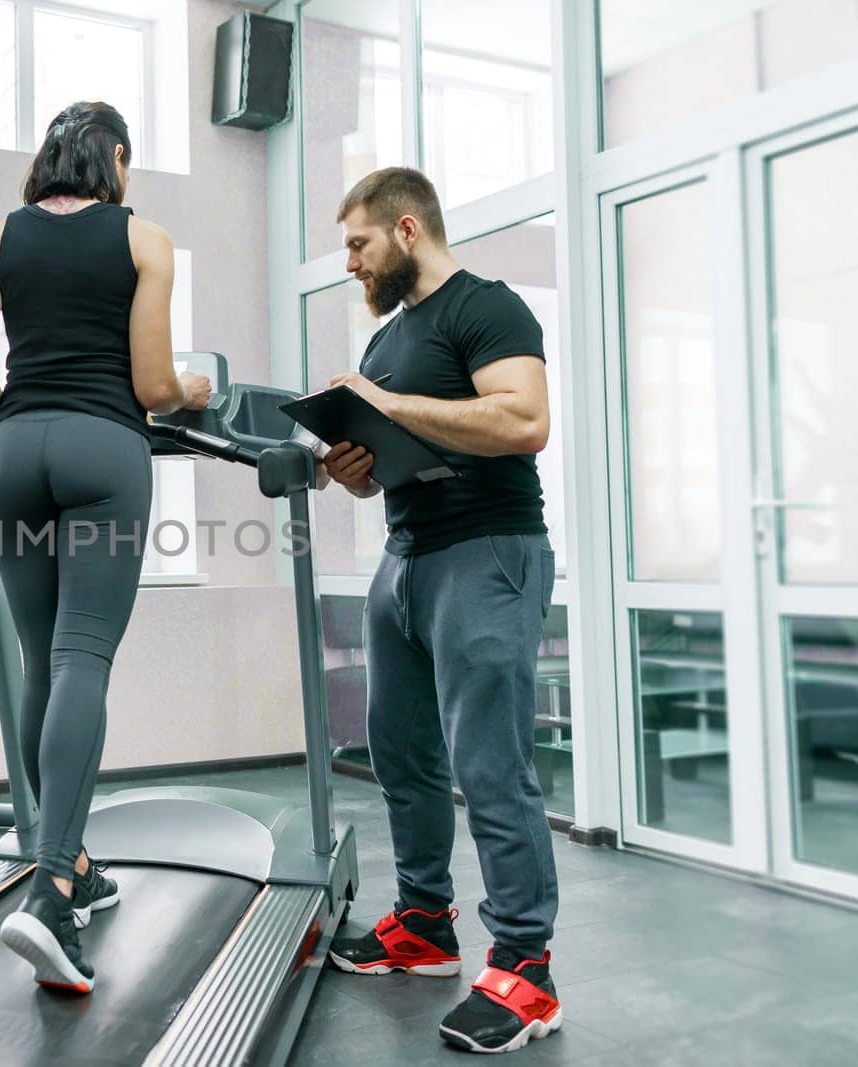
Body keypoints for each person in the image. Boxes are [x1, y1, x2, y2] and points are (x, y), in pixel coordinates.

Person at [0, 102, 211, 994]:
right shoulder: (146, 240)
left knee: (36, 660)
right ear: (120, 161)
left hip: (16, 454)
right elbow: (152, 384)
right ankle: (52, 892)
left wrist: (17, 415)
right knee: (82, 658)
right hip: (105, 452)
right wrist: (196, 387)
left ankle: (69, 859)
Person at [317, 167, 563, 1054]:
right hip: (407, 556)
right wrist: (357, 463)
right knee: (403, 756)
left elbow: (522, 419)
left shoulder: (486, 308)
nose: (350, 262)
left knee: (490, 765)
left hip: (487, 550)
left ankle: (526, 971)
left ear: (408, 229)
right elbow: (397, 447)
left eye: (358, 244)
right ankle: (424, 923)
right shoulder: (387, 341)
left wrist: (391, 405)